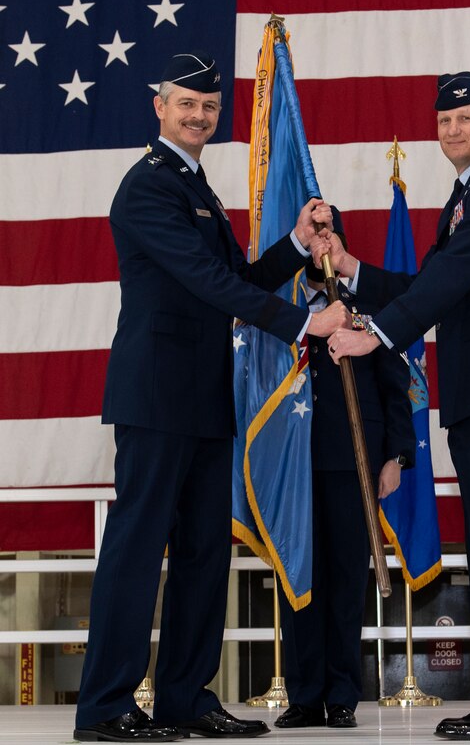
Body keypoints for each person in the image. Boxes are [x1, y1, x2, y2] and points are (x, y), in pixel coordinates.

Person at [73, 51, 349, 743]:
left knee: (204, 554)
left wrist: (294, 243)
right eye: (186, 104)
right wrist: (304, 322)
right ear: (159, 106)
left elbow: (242, 278)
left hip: (203, 400)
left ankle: (184, 699)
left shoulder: (197, 188)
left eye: (209, 107)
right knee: (137, 552)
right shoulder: (147, 187)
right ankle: (106, 706)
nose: (199, 116)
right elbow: (206, 282)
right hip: (155, 398)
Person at [324, 73, 470, 741]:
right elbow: (430, 282)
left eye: (467, 119)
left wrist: (375, 334)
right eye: (444, 121)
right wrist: (353, 267)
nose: (453, 130)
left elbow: (452, 280)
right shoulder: (467, 194)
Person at [273, 212, 415, 731]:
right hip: (293, 465)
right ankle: (305, 694)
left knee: (347, 577)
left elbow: (395, 384)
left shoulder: (367, 309)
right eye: (315, 241)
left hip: (355, 458)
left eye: (331, 241)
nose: (322, 249)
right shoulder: (282, 313)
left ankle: (341, 695)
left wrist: (395, 456)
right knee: (300, 577)